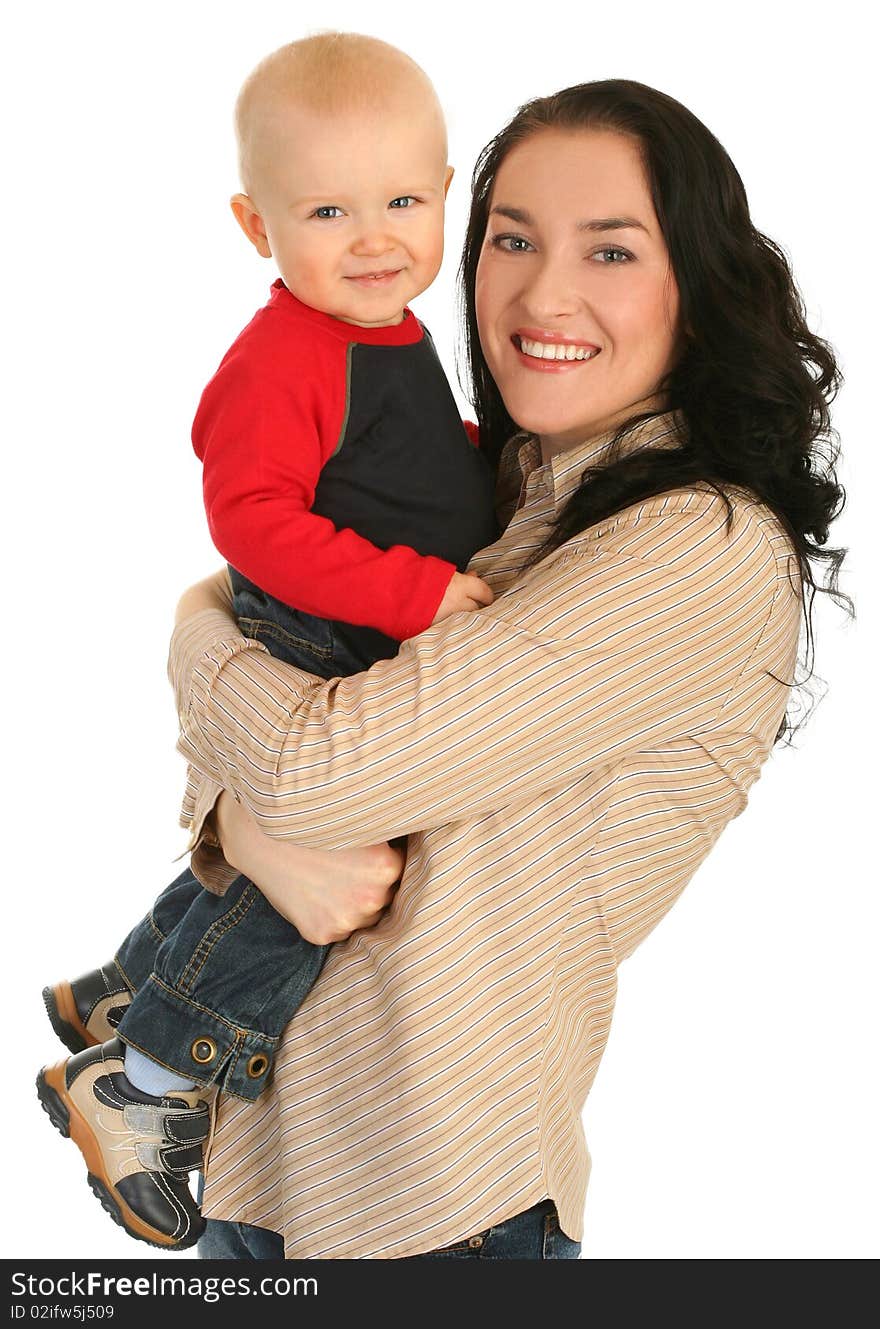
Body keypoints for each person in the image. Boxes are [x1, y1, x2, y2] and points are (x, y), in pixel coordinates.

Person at [166, 78, 848, 1261]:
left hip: (431, 1213)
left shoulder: (700, 543)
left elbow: (321, 768)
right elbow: (280, 704)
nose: (543, 293)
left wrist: (188, 633)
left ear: (698, 285)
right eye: (512, 239)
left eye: (612, 250)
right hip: (251, 1174)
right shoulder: (490, 499)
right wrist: (240, 820)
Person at [35, 32, 498, 1251]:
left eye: (403, 200)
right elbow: (253, 522)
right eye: (328, 210)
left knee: (290, 864)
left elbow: (385, 456)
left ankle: (126, 983)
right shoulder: (286, 354)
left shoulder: (380, 327)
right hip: (320, 634)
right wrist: (415, 593)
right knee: (322, 884)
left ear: (445, 191)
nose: (375, 236)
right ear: (256, 227)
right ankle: (145, 1080)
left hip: (358, 622)